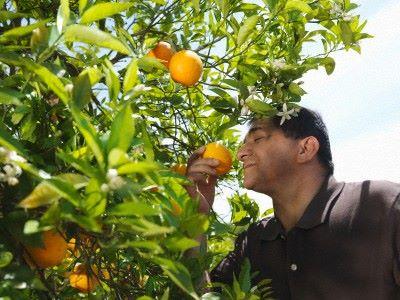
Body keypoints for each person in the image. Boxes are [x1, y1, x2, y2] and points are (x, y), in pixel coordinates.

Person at [185, 106, 400, 299]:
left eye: (257, 139)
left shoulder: (383, 206)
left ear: (305, 148)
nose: (240, 153)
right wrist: (196, 218)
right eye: (242, 145)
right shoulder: (253, 242)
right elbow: (205, 295)